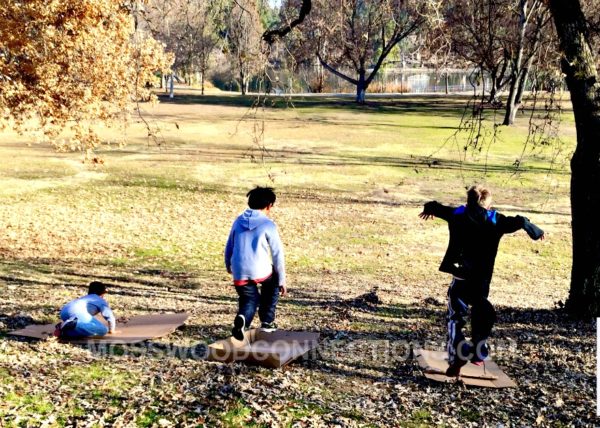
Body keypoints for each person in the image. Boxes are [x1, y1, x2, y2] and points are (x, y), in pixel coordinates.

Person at [419, 185, 544, 376]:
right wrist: (534, 230)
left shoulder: (457, 214)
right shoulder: (496, 220)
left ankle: (459, 353)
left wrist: (428, 208)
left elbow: (436, 206)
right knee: (480, 309)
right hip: (482, 278)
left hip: (460, 274)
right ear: (488, 203)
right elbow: (519, 221)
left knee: (455, 317)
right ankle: (478, 353)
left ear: (468, 200)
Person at [225, 186, 287, 341]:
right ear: (269, 206)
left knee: (249, 299)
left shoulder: (238, 221)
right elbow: (277, 253)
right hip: (261, 270)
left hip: (239, 270)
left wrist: (228, 264)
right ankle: (267, 321)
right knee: (272, 284)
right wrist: (282, 280)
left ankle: (243, 320)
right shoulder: (267, 224)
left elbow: (229, 245)